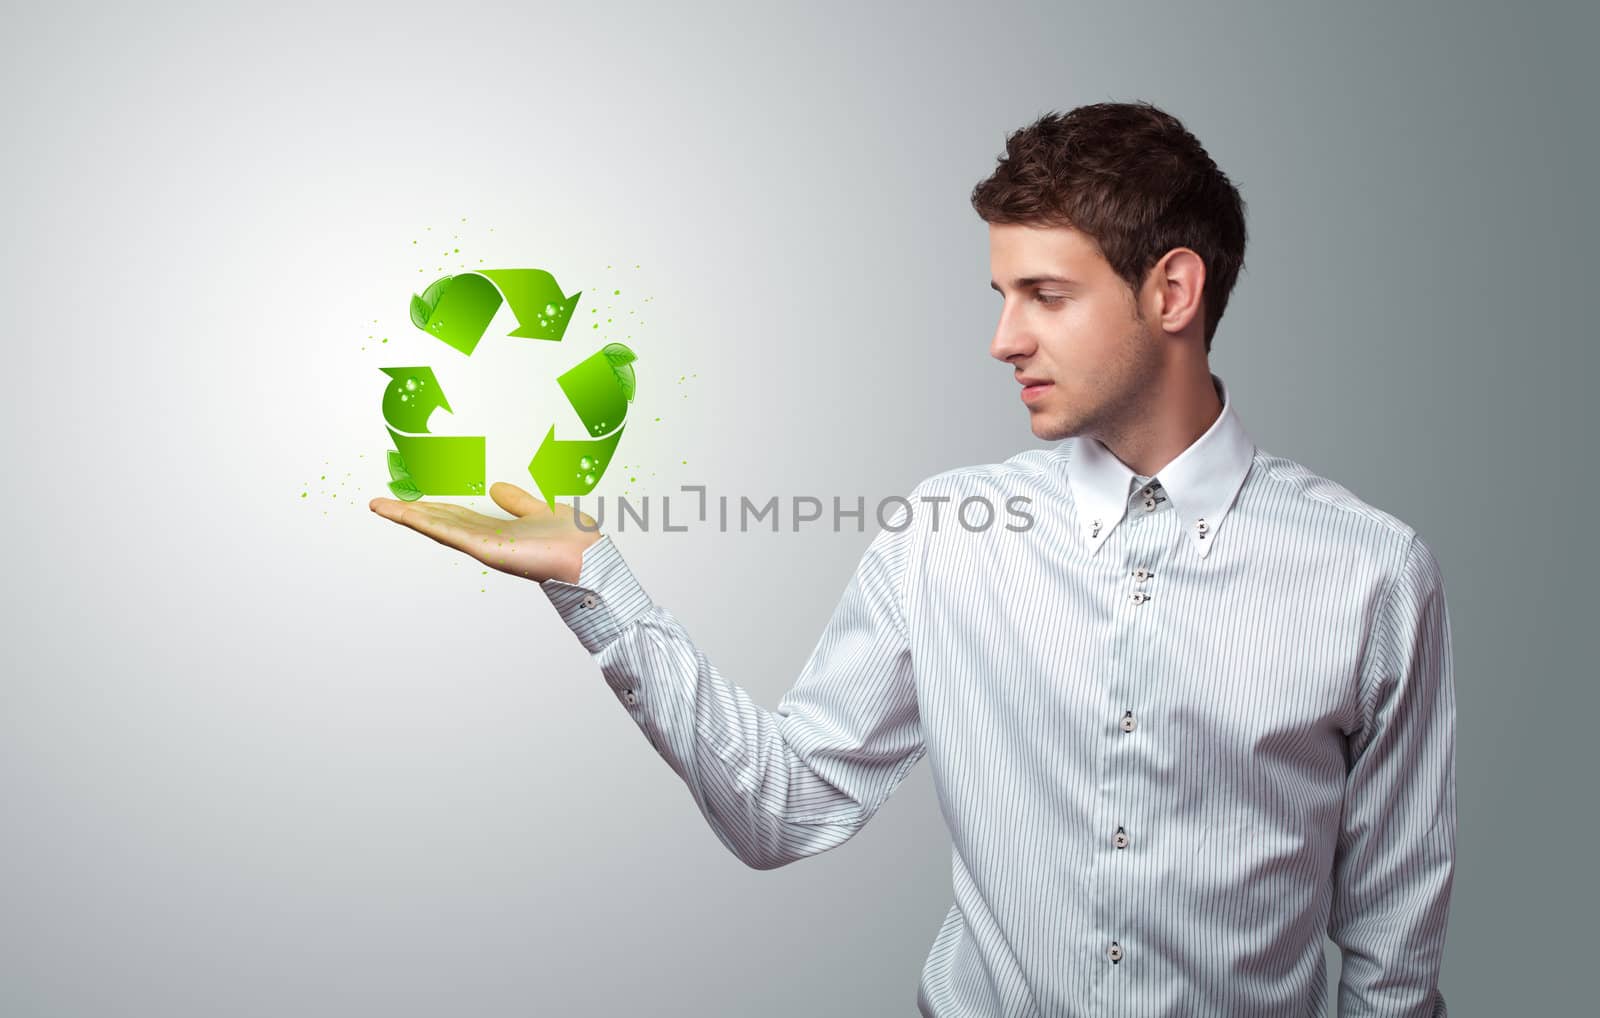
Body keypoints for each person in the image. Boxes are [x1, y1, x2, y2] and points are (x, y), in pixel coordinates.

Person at [369, 100, 1455, 1018]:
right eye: (1002, 296)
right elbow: (785, 806)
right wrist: (589, 579)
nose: (1003, 339)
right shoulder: (943, 534)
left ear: (1171, 292)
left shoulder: (1366, 573)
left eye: (1046, 294)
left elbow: (1392, 945)